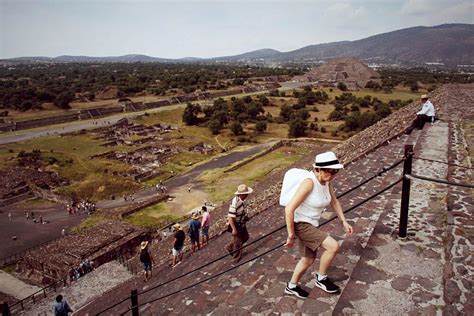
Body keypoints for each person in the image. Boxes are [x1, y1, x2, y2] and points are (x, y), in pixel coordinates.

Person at [284, 151, 353, 299]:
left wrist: (344, 221)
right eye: (330, 171)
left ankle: (291, 286)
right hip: (301, 225)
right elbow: (289, 209)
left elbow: (334, 201)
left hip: (311, 224)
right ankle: (321, 279)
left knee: (308, 260)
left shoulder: (327, 180)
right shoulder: (309, 183)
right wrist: (290, 235)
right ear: (317, 169)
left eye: (336, 171)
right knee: (333, 246)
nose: (333, 174)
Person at [226, 184, 252, 262]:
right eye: (246, 193)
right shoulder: (235, 202)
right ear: (241, 194)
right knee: (238, 241)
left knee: (246, 237)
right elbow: (230, 217)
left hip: (241, 222)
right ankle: (236, 257)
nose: (247, 194)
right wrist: (234, 229)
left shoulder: (240, 201)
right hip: (236, 224)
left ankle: (230, 246)